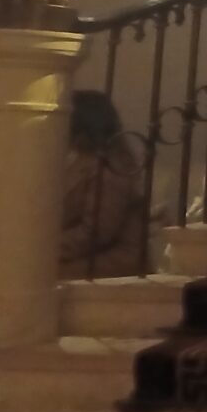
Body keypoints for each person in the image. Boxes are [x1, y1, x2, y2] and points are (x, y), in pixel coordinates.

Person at [59, 90, 148, 281]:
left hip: (113, 261)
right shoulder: (84, 160)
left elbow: (96, 232)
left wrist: (42, 249)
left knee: (26, 277)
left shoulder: (111, 167)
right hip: (86, 255)